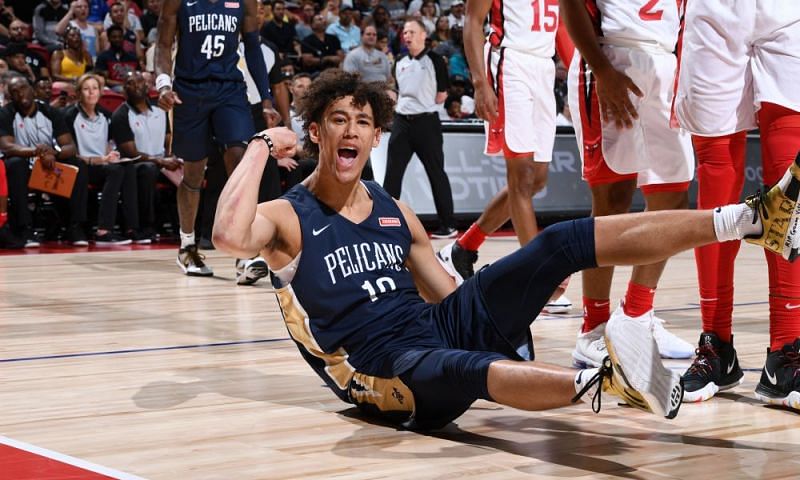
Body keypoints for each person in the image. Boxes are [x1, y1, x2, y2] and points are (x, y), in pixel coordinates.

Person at [211, 69, 800, 430]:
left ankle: (748, 218)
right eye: (337, 120)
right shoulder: (289, 216)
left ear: (375, 136)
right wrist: (263, 144)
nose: (351, 132)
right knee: (462, 369)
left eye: (362, 122)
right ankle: (602, 384)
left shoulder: (394, 211)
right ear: (315, 132)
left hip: (435, 325)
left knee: (558, 241)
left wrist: (513, 296)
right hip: (381, 370)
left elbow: (455, 302)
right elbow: (228, 236)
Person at [668, 3, 800, 407]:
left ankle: (787, 349)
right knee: (718, 182)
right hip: (714, 10)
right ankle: (716, 345)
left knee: (790, 181)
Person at [559, 0, 695, 367]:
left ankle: (636, 315)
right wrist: (601, 70)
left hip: (665, 62)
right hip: (612, 57)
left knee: (673, 198)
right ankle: (593, 327)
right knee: (611, 201)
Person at [436, 0, 574, 308]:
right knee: (522, 178)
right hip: (509, 65)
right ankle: (537, 276)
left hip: (544, 67)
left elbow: (562, 26)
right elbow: (472, 22)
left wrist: (577, 71)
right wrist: (479, 83)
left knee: (536, 180)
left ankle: (462, 249)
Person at [155, 0, 279, 280]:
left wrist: (266, 98)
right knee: (194, 173)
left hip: (230, 89)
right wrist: (162, 83)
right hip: (189, 90)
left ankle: (245, 253)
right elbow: (163, 45)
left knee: (241, 159)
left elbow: (252, 46)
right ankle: (187, 245)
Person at [383, 19, 456, 239]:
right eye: (405, 32)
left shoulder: (435, 60)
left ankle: (448, 224)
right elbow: (396, 90)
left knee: (436, 174)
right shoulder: (399, 60)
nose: (407, 35)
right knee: (392, 175)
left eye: (412, 31)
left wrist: (422, 103)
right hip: (402, 122)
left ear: (424, 35)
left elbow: (442, 93)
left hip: (427, 122)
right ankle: (385, 221)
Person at [0, 75, 88, 247]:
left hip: (48, 166)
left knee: (79, 165)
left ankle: (75, 226)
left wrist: (54, 153)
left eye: (23, 88)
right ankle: (24, 229)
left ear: (32, 90)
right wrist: (37, 152)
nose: (21, 94)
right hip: (24, 168)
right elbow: (7, 146)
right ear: (10, 96)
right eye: (15, 92)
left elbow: (70, 146)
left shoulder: (49, 112)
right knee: (16, 164)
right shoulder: (5, 113)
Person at [112, 71, 181, 244]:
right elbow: (131, 154)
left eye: (139, 81)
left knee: (193, 169)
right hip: (137, 165)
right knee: (147, 171)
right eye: (130, 83)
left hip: (162, 163)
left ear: (148, 86)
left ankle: (189, 226)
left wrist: (172, 158)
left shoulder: (161, 109)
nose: (136, 85)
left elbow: (168, 141)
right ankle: (147, 226)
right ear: (124, 90)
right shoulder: (120, 115)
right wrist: (160, 161)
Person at [64, 73, 132, 246]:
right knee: (79, 167)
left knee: (121, 169)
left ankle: (109, 230)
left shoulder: (107, 116)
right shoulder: (69, 116)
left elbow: (110, 143)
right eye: (86, 89)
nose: (91, 93)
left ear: (101, 92)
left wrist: (112, 155)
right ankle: (77, 227)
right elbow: (69, 152)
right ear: (79, 93)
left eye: (95, 89)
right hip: (80, 163)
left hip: (101, 164)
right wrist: (98, 159)